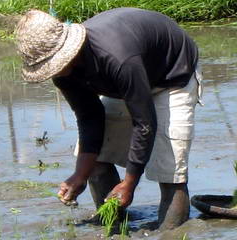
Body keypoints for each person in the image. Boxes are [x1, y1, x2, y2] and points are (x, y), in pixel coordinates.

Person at [16, 7, 203, 230]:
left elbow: (144, 123)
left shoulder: (117, 57)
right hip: (126, 81)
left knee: (169, 167)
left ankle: (171, 231)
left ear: (68, 52)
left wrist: (129, 183)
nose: (52, 72)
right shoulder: (64, 74)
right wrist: (79, 175)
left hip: (172, 75)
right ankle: (115, 225)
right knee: (96, 158)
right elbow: (89, 117)